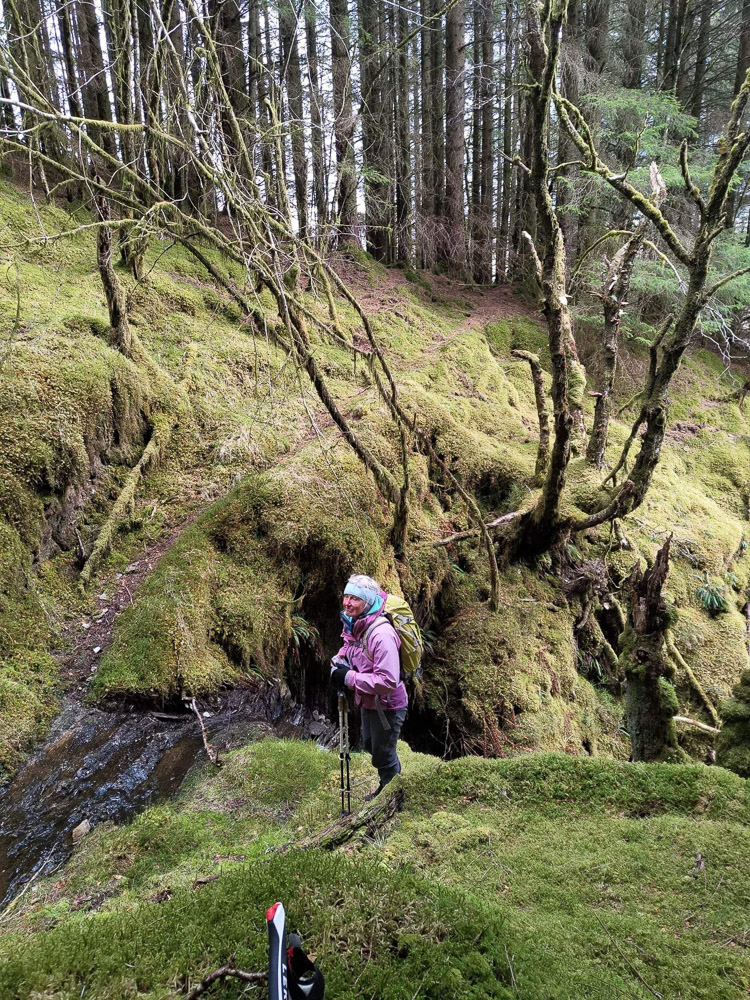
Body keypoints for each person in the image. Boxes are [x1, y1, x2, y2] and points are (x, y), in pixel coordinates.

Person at [330, 574, 407, 799]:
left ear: (368, 601)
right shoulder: (356, 623)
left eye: (354, 598)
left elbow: (388, 680)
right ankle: (388, 787)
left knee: (383, 753)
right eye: (346, 596)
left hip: (388, 705)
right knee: (371, 745)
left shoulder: (381, 634)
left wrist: (348, 678)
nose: (347, 603)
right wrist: (340, 660)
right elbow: (350, 645)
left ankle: (393, 797)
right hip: (368, 700)